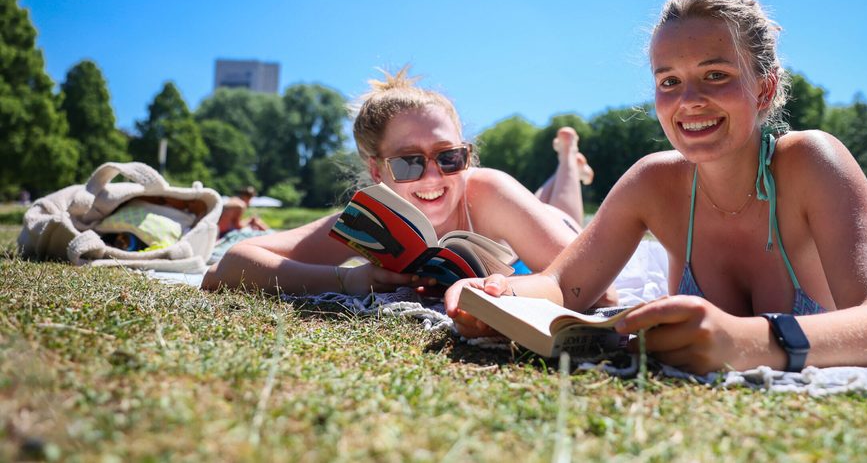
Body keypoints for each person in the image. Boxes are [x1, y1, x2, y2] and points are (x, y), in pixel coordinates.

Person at [446, 0, 867, 374]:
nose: (688, 101)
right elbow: (562, 285)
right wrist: (495, 295)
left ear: (764, 89)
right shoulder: (654, 183)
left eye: (716, 75)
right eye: (669, 81)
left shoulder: (812, 162)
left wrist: (744, 341)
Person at [202, 68, 611, 301]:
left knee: (562, 210)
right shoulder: (370, 220)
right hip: (519, 231)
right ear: (377, 170)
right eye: (409, 162)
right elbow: (230, 266)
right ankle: (566, 164)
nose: (433, 177)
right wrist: (346, 280)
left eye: (449, 157)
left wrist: (495, 288)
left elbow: (595, 288)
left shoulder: (488, 190)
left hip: (548, 230)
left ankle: (567, 161)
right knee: (545, 203)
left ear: (467, 155)